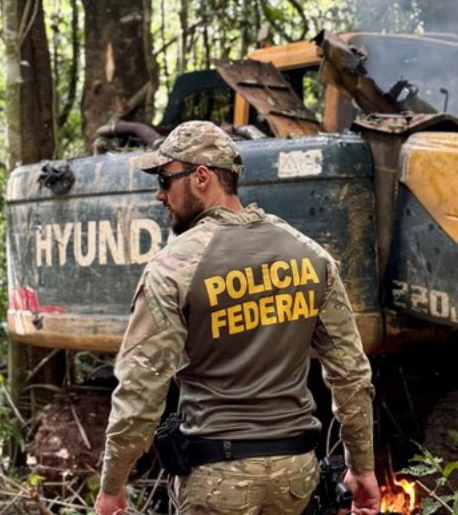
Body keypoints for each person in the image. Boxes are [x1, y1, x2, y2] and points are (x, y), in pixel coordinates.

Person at [94, 120, 380, 515]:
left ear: (201, 177)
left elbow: (140, 390)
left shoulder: (173, 267)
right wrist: (362, 467)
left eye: (164, 179)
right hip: (295, 477)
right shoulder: (311, 256)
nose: (159, 194)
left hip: (215, 481)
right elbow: (350, 373)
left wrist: (112, 486)